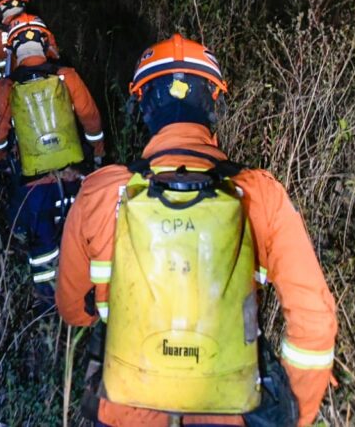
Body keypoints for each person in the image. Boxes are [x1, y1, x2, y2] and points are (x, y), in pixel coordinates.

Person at [56, 34, 337, 427]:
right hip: (228, 410)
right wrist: (295, 414)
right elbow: (315, 324)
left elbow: (72, 311)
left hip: (125, 409)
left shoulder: (100, 192)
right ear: (214, 102)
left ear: (142, 104)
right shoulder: (261, 195)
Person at [0, 15, 104, 306]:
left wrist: (0, 159)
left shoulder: (7, 86)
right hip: (74, 176)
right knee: (82, 236)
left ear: (13, 48)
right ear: (45, 42)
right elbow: (91, 119)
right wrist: (98, 154)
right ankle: (89, 297)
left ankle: (48, 305)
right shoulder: (67, 75)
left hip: (34, 185)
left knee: (42, 247)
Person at [0, 0, 59, 112]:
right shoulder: (40, 27)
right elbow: (55, 57)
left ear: (1, 5)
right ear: (24, 2)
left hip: (12, 98)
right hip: (48, 93)